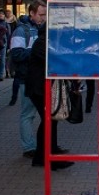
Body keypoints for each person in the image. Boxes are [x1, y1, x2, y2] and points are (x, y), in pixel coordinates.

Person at [25, 23, 73, 170]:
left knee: (49, 121)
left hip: (42, 87)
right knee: (49, 121)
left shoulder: (48, 42)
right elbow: (54, 61)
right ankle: (48, 157)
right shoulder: (42, 42)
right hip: (39, 88)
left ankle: (43, 156)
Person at [9, 0, 45, 158]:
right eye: (41, 14)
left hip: (39, 77)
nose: (43, 18)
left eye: (45, 15)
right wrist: (35, 50)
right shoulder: (21, 31)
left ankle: (42, 144)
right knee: (28, 114)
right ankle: (29, 147)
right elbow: (16, 54)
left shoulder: (41, 29)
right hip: (26, 77)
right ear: (32, 13)